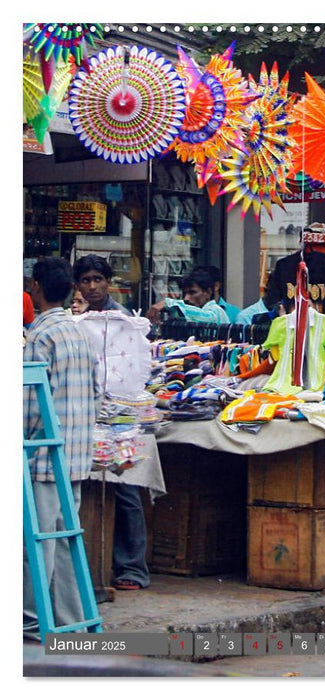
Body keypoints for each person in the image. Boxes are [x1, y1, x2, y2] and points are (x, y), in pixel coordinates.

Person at [23, 257, 101, 640]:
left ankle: (31, 622)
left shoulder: (40, 336)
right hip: (76, 454)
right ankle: (70, 623)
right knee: (66, 540)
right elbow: (97, 392)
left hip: (43, 457)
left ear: (36, 288)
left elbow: (30, 403)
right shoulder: (80, 333)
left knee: (37, 545)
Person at [73, 254, 152, 593]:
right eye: (86, 281)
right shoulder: (74, 321)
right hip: (85, 415)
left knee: (127, 488)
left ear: (107, 282)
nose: (92, 287)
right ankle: (92, 567)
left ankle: (133, 569)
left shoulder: (124, 321)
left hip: (120, 417)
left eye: (97, 280)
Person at [146, 267, 230, 325]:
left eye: (192, 292)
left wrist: (168, 303)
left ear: (208, 292)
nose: (186, 298)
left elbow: (206, 317)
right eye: (185, 294)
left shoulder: (216, 311)